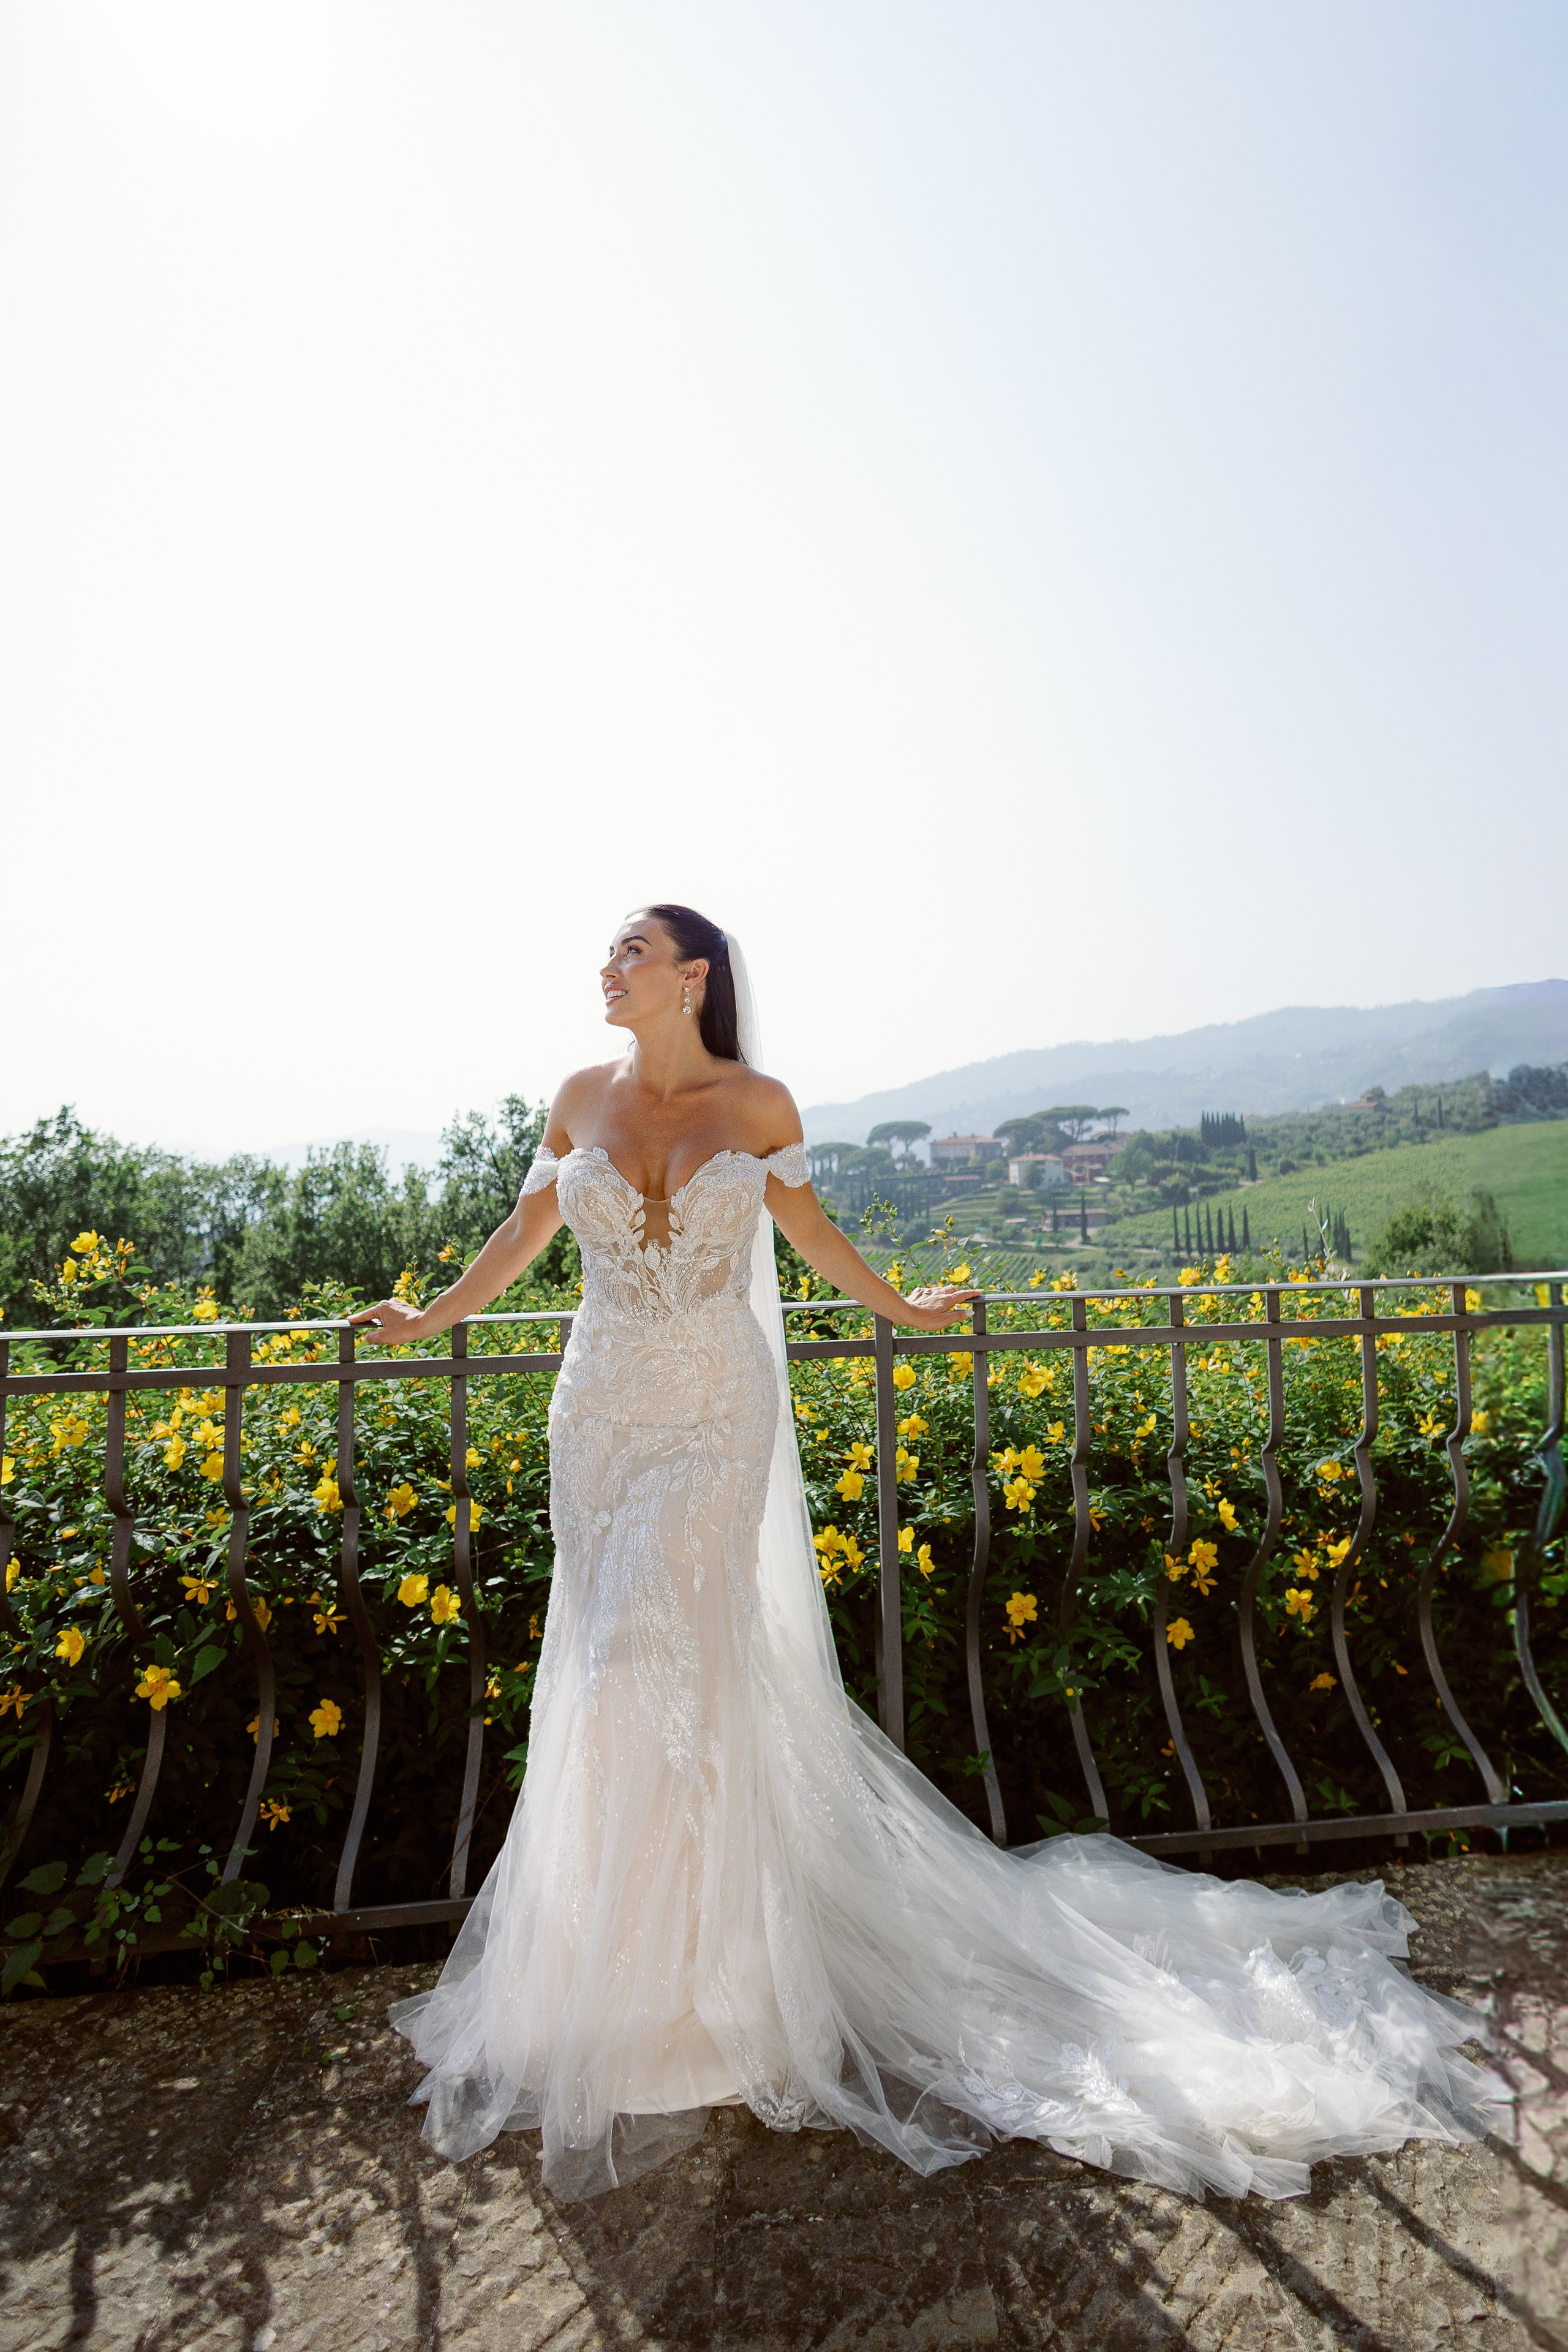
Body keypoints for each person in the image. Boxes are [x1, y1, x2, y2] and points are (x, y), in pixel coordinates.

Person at [352, 905, 1502, 2203]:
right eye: (607, 952)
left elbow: (808, 1234)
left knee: (672, 1650)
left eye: (630, 950)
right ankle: (630, 1978)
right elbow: (523, 1236)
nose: (605, 967)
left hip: (715, 1413)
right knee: (613, 1666)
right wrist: (427, 1318)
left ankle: (721, 1984)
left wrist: (901, 1306)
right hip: (602, 1412)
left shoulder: (758, 1102)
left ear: (692, 975)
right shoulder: (575, 1095)